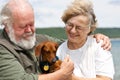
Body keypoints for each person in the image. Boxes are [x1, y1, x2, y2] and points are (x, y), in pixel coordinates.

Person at [0, 0, 111, 80]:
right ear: (6, 26)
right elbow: (21, 79)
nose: (29, 30)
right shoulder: (2, 49)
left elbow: (70, 43)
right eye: (22, 26)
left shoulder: (40, 39)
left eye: (31, 24)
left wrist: (92, 36)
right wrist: (62, 74)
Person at [56, 0, 115, 80]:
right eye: (70, 25)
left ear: (89, 29)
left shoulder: (100, 46)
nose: (73, 31)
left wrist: (71, 78)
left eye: (79, 27)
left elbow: (105, 79)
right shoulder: (61, 50)